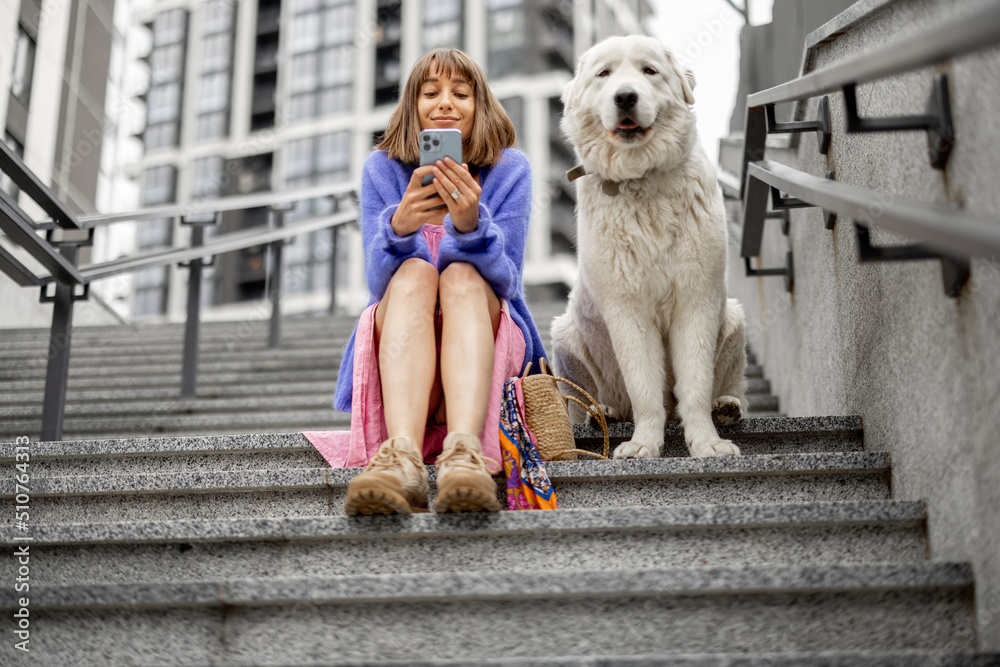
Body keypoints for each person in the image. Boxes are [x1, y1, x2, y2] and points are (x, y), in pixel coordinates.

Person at [333, 48, 545, 515]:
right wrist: (399, 229)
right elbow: (376, 283)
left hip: (482, 342)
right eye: (431, 92)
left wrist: (471, 227)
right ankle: (402, 455)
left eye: (461, 93)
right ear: (413, 107)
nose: (446, 102)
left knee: (463, 275)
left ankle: (465, 451)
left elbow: (507, 281)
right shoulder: (382, 169)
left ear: (480, 106)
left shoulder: (511, 169)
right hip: (406, 349)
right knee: (414, 272)